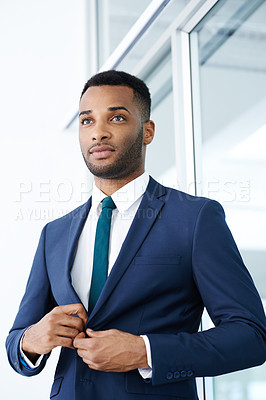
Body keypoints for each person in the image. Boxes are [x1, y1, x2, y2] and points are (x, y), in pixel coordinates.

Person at [6, 70, 266, 400]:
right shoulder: (53, 234)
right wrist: (32, 339)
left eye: (116, 117)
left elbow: (251, 336)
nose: (98, 133)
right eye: (87, 121)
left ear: (147, 131)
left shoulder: (195, 218)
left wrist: (145, 351)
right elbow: (17, 342)